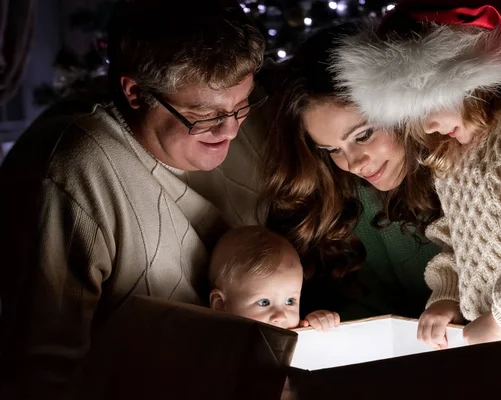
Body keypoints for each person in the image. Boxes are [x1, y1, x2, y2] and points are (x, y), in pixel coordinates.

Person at [0, 0, 269, 397]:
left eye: (242, 106)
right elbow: (45, 368)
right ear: (137, 93)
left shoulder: (248, 125)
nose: (229, 130)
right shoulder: (73, 170)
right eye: (205, 115)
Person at [332, 6, 501, 398]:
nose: (426, 128)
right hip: (496, 341)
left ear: (462, 80)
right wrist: (447, 295)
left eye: (426, 108)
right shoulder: (451, 156)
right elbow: (457, 239)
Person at [261, 24, 441, 321]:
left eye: (363, 135)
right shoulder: (347, 201)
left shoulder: (464, 176)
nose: (354, 164)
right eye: (332, 150)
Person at [208, 225, 340, 331]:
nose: (281, 316)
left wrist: (316, 326)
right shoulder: (220, 342)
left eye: (290, 301)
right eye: (264, 302)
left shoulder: (294, 331)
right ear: (221, 305)